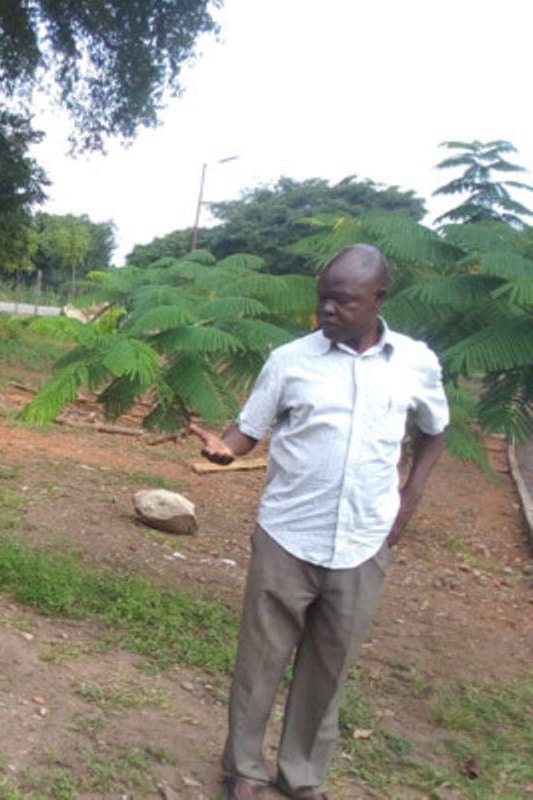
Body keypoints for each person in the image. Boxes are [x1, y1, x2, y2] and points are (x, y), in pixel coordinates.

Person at [189, 244, 448, 800]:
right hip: (288, 535)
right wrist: (226, 450)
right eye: (322, 298)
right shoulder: (290, 360)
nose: (327, 310)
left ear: (379, 299)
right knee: (259, 663)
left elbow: (435, 428)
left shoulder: (416, 363)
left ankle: (302, 775)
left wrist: (412, 493)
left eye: (343, 301)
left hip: (363, 539)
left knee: (328, 670)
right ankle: (244, 771)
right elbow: (248, 428)